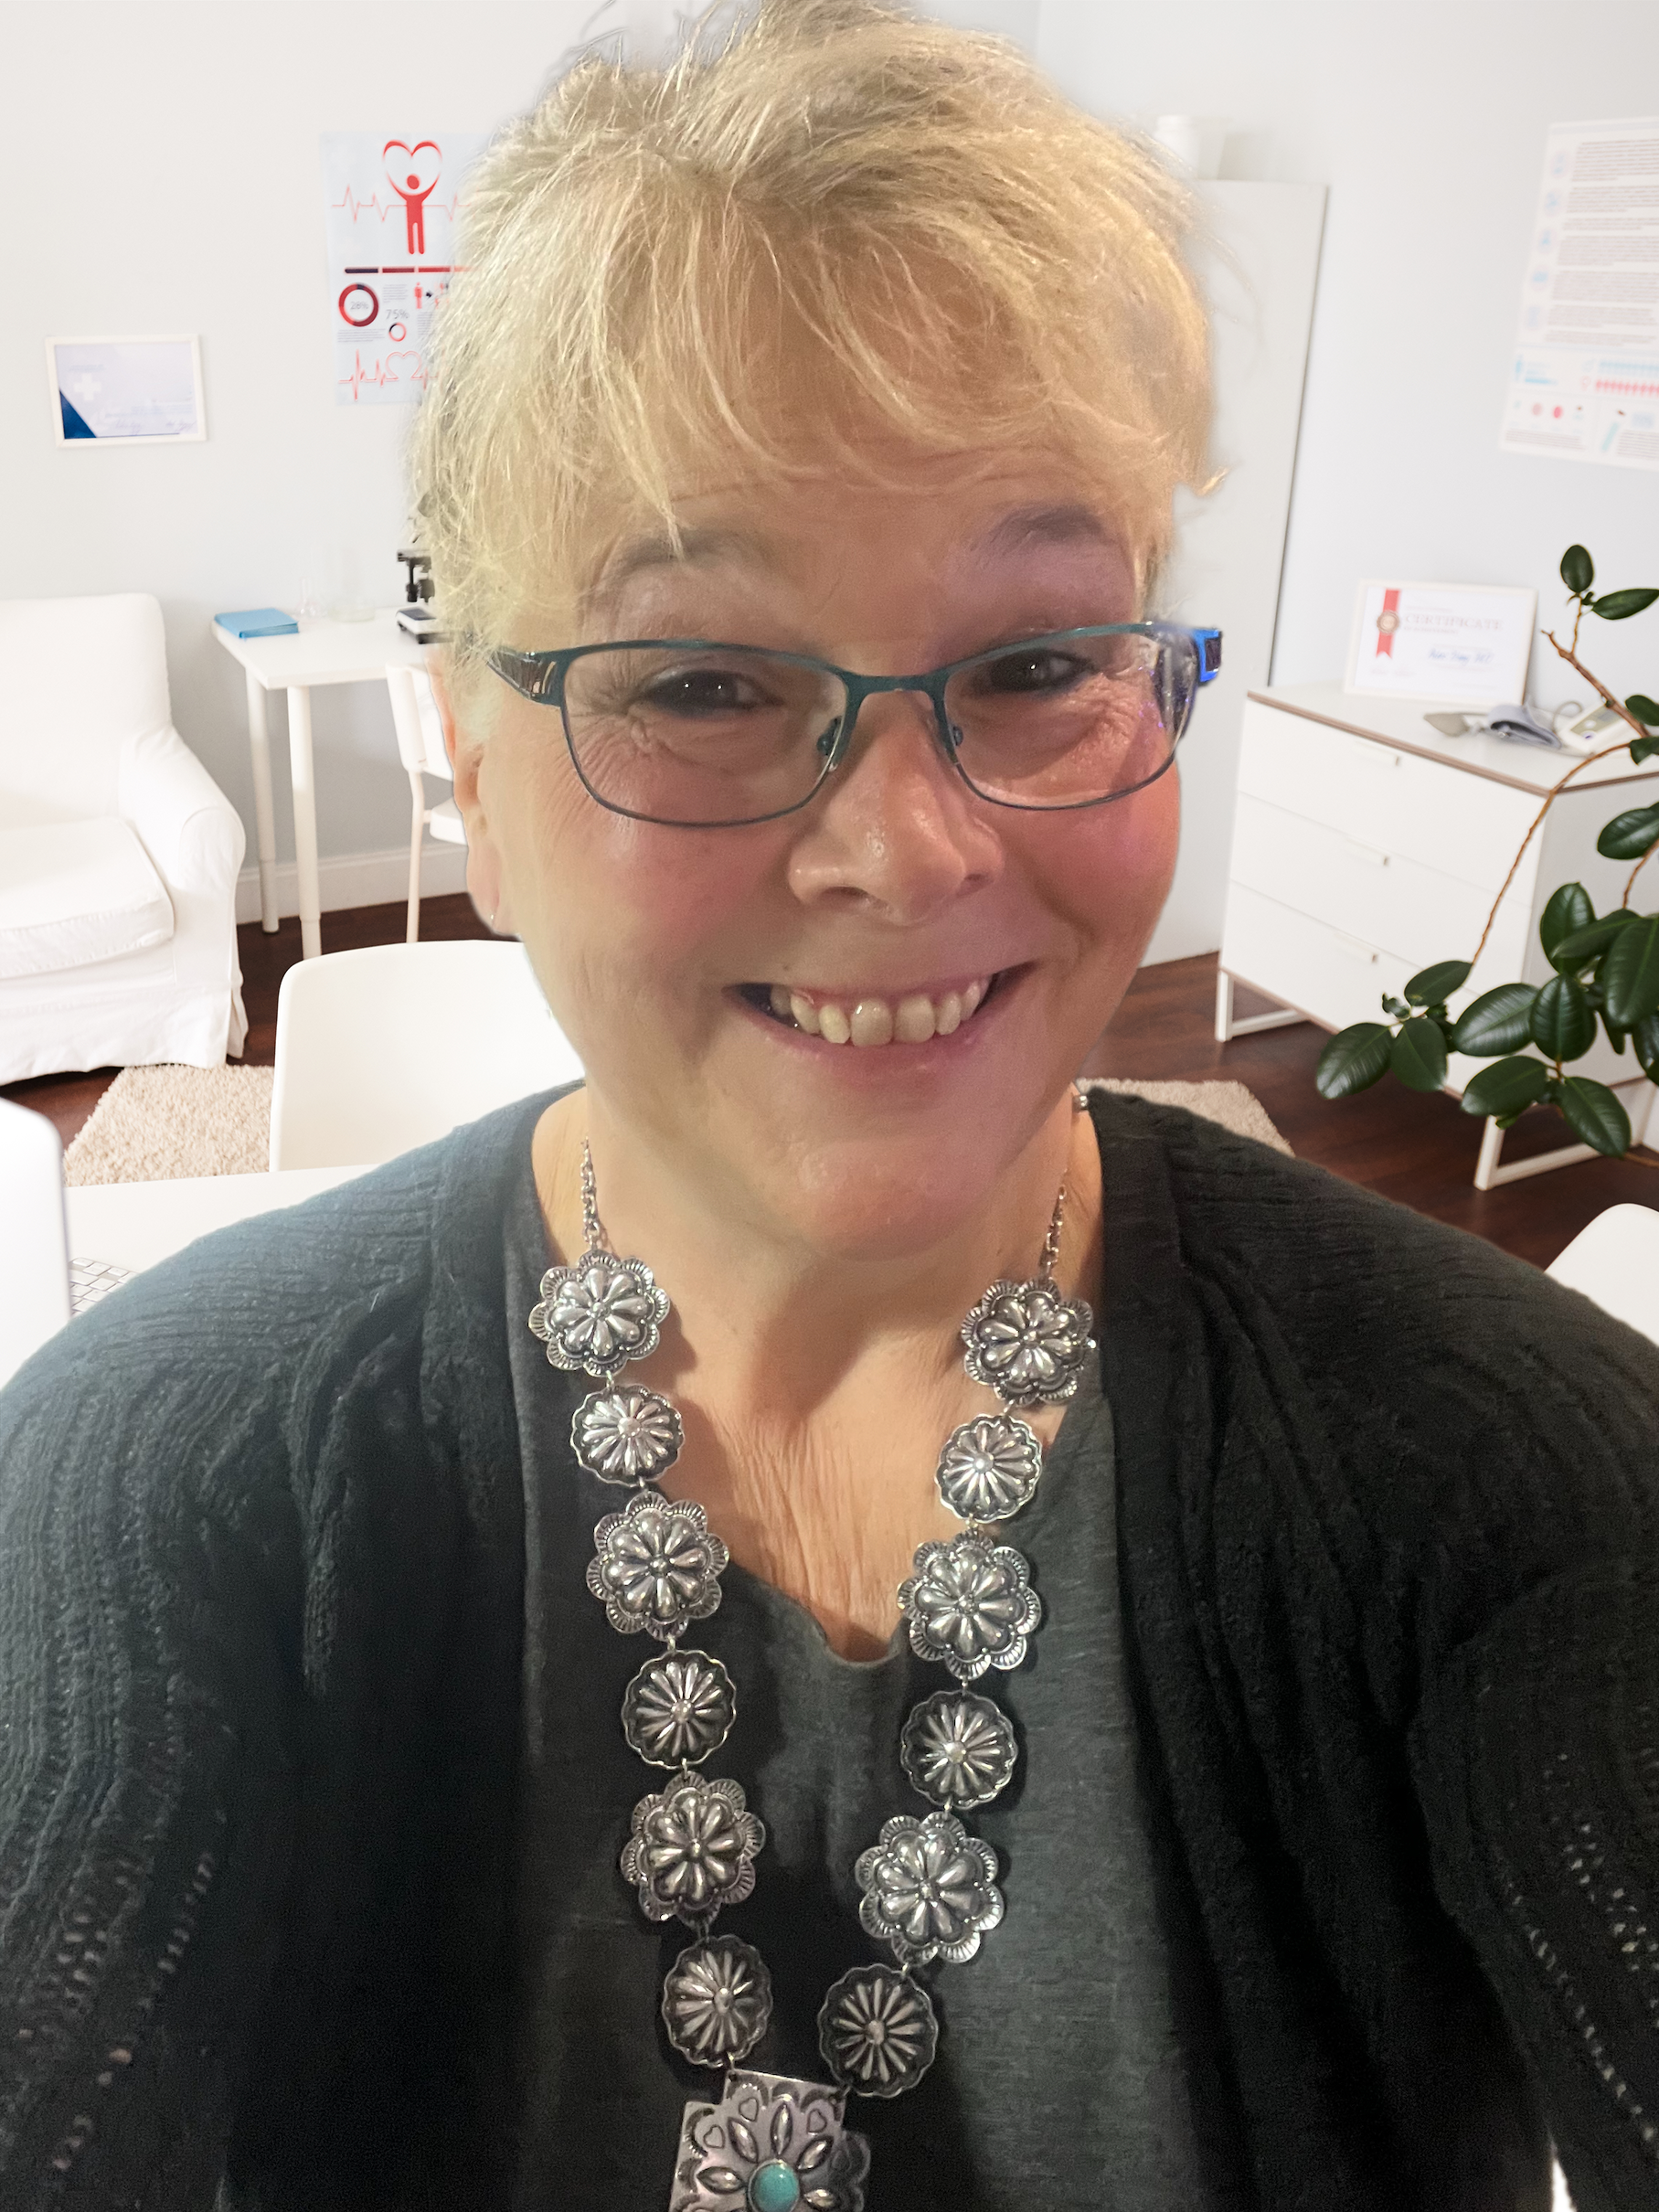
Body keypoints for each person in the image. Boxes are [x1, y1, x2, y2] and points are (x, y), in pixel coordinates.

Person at [3, 5, 1657, 2207]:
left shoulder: (1504, 1466)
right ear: (475, 775)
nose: (911, 850)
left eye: (1040, 659)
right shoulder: (163, 1467)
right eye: (700, 679)